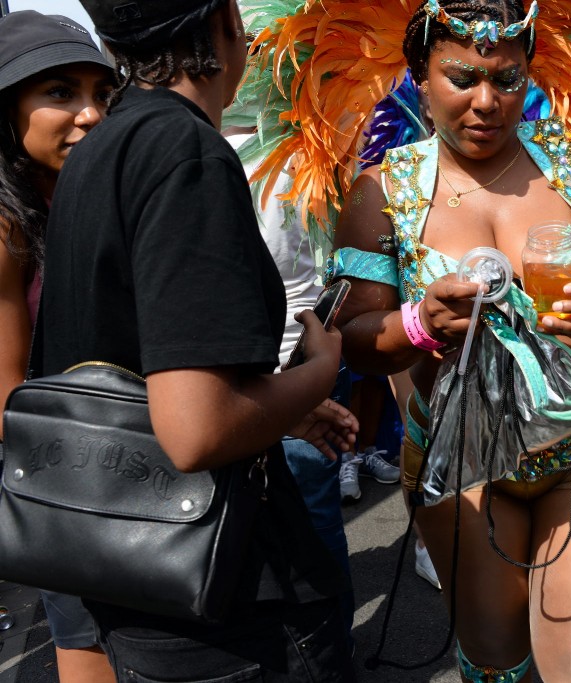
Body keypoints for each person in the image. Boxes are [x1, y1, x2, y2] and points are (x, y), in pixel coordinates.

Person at [333, 0, 571, 680]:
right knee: (495, 658)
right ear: (420, 80)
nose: (486, 101)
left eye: (507, 80)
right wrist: (421, 324)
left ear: (526, 78)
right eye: (462, 77)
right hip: (461, 465)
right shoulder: (379, 194)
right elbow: (354, 339)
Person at [40, 0, 356, 679]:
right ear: (226, 23)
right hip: (226, 602)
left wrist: (279, 406)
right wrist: (319, 368)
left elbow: (129, 368)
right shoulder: (184, 150)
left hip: (134, 574)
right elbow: (196, 430)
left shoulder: (101, 148)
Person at [0, 11, 117, 683]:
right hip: (64, 488)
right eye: (60, 93)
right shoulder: (10, 223)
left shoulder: (83, 194)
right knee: (88, 641)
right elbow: (7, 398)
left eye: (101, 93)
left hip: (121, 466)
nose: (91, 114)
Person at [223, 124, 361, 660]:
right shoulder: (311, 139)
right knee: (293, 522)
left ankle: (324, 648)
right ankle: (317, 647)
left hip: (293, 366)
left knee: (308, 520)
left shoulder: (308, 143)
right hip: (273, 369)